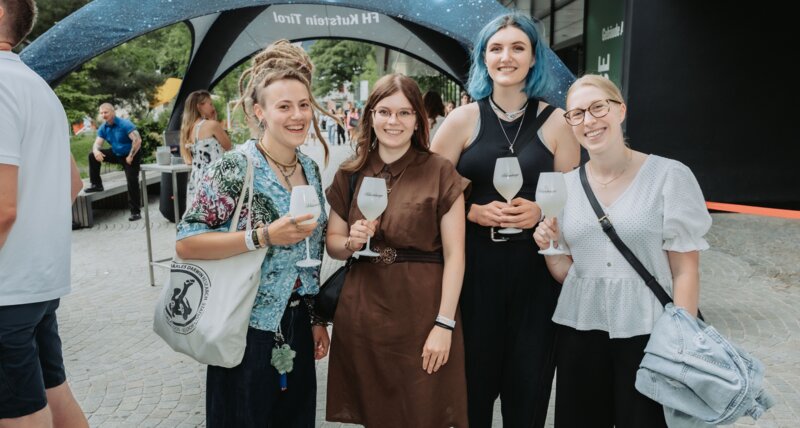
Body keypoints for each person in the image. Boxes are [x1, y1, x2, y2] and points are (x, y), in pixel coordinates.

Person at [533, 74, 711, 427]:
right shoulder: (564, 187)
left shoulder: (669, 176)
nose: (589, 120)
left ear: (621, 111)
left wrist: (683, 341)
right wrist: (550, 247)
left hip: (650, 330)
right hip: (581, 332)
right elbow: (570, 275)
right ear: (570, 124)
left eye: (598, 107)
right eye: (577, 113)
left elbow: (685, 270)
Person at [431, 12, 580, 428]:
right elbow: (427, 196)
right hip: (475, 276)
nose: (506, 56)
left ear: (534, 59)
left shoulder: (557, 122)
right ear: (483, 58)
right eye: (495, 48)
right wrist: (471, 210)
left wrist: (543, 211)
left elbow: (577, 201)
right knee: (471, 398)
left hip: (537, 278)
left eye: (518, 48)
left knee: (528, 396)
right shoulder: (462, 121)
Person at [175, 39, 333, 427]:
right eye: (284, 106)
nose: (297, 116)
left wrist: (315, 319)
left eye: (303, 105)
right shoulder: (235, 167)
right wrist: (261, 237)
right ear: (260, 112)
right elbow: (185, 243)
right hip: (244, 327)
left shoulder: (310, 169)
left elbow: (309, 255)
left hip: (295, 327)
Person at [325, 73, 470, 427]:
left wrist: (444, 324)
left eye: (405, 113)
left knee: (424, 412)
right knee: (376, 415)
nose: (394, 122)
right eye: (385, 111)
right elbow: (333, 243)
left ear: (419, 119)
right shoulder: (351, 173)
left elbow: (456, 256)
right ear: (370, 115)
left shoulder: (440, 171)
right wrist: (351, 242)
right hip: (364, 314)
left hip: (423, 313)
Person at [0, 1, 88, 426]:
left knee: (21, 414)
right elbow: (71, 185)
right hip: (35, 285)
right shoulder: (35, 84)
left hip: (5, 290)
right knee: (55, 397)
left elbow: (2, 208)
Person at [86, 103, 144, 221]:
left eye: (106, 112)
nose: (103, 115)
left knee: (132, 181)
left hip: (130, 155)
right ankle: (96, 184)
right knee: (92, 155)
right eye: (101, 113)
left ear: (113, 112)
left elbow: (137, 140)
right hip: (116, 153)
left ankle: (135, 212)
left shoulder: (124, 124)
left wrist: (131, 155)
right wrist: (96, 151)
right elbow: (97, 144)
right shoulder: (104, 127)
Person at [179, 89, 232, 207]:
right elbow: (229, 146)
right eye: (210, 104)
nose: (213, 107)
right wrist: (215, 122)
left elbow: (189, 159)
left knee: (202, 215)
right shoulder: (212, 125)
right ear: (200, 106)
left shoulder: (187, 128)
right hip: (214, 177)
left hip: (197, 178)